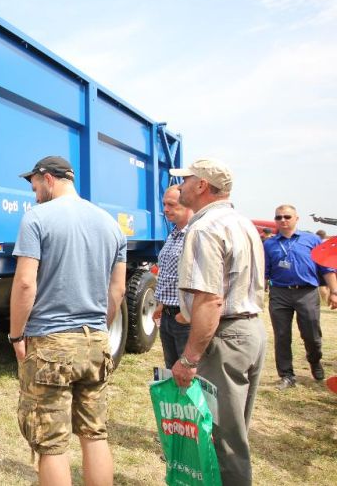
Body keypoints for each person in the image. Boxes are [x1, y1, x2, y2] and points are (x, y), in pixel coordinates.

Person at [10, 155, 127, 486]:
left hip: (52, 344)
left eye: (34, 186)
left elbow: (25, 284)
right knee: (95, 433)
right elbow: (116, 290)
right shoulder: (110, 223)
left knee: (51, 443)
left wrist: (17, 336)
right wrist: (99, 328)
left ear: (48, 179)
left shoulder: (37, 219)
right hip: (97, 341)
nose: (33, 195)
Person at [169, 158, 266, 486]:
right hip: (250, 331)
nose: (180, 186)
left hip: (225, 337)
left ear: (202, 186)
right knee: (236, 430)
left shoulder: (204, 227)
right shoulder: (242, 222)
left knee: (223, 441)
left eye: (186, 180)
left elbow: (211, 299)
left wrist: (189, 358)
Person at [263, 205, 337, 389]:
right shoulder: (269, 244)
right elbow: (263, 272)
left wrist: (334, 291)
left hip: (306, 292)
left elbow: (326, 268)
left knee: (312, 334)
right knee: (281, 335)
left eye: (287, 216)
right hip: (280, 293)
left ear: (297, 218)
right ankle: (287, 375)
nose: (283, 220)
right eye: (278, 217)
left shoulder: (312, 240)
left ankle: (314, 360)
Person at [152, 185, 193, 368]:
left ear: (188, 204)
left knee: (189, 375)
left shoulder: (195, 235)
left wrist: (188, 315)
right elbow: (169, 274)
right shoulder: (173, 235)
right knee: (173, 371)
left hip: (184, 318)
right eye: (164, 204)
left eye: (171, 204)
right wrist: (161, 304)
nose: (165, 209)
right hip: (169, 316)